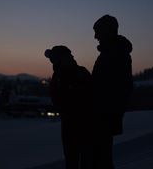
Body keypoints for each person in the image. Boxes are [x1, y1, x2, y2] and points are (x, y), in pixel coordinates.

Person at [92, 15, 133, 169]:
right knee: (100, 158)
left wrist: (108, 113)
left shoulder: (116, 53)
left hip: (104, 116)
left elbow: (121, 87)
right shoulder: (110, 52)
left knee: (101, 160)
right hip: (102, 116)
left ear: (107, 31)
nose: (95, 36)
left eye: (97, 32)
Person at [44, 45, 92, 169]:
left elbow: (93, 94)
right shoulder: (58, 76)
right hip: (70, 124)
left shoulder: (79, 73)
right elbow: (56, 99)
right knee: (72, 159)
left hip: (84, 124)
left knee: (85, 159)